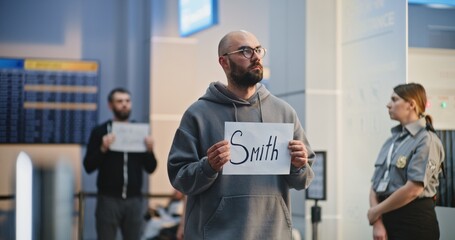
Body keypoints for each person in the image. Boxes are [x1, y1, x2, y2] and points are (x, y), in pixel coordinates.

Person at [167, 30, 315, 239]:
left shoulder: (284, 112)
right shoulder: (198, 114)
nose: (255, 57)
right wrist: (208, 166)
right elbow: (179, 178)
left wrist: (299, 165)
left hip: (272, 233)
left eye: (258, 50)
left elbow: (303, 180)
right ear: (224, 62)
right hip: (215, 235)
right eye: (245, 51)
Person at [368, 83, 444, 240]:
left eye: (394, 99)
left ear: (411, 104)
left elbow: (413, 189)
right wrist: (377, 222)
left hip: (414, 223)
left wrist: (376, 212)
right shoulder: (391, 142)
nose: (388, 105)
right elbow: (374, 187)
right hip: (387, 220)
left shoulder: (426, 139)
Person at [84, 87, 158, 240]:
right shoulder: (100, 132)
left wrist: (150, 150)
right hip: (108, 200)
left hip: (134, 200)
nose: (124, 104)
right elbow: (88, 166)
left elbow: (151, 168)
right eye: (119, 101)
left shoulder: (140, 132)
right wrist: (102, 148)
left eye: (127, 101)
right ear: (110, 105)